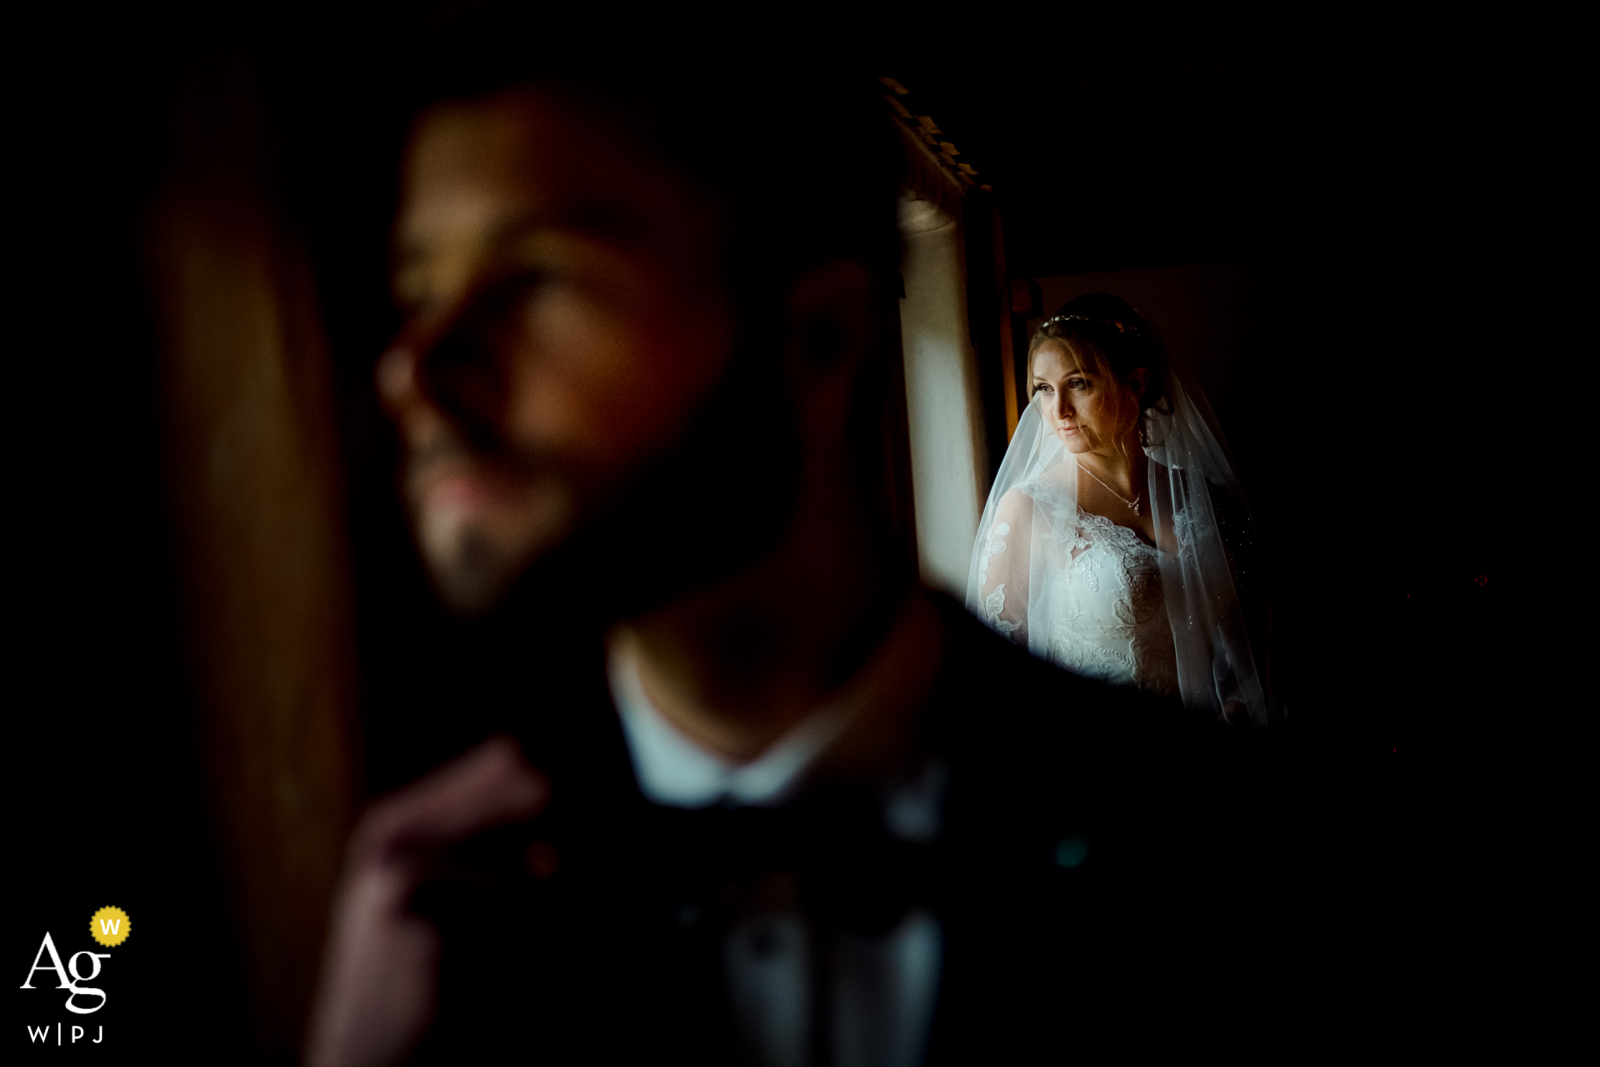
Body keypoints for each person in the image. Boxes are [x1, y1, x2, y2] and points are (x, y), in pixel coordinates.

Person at [305, 19, 1286, 1066]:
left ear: (816, 335)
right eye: (417, 293)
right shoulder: (434, 914)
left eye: (538, 281)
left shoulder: (1219, 842)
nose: (413, 369)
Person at [967, 294, 1272, 725]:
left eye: (1079, 384)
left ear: (1136, 381)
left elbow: (1250, 640)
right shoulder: (1028, 508)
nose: (1058, 411)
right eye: (1043, 388)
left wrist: (1238, 710)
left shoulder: (1207, 497)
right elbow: (997, 674)